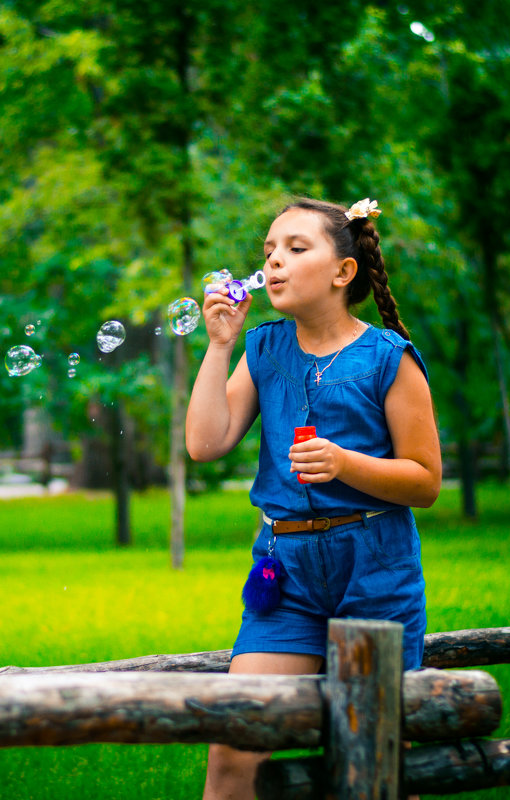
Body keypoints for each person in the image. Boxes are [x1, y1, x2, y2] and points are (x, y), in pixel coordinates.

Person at [185, 197, 441, 800]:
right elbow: (205, 442)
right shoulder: (264, 349)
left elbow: (426, 481)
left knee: (376, 751)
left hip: (373, 565)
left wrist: (345, 463)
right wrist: (220, 344)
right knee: (235, 739)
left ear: (342, 273)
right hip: (285, 573)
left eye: (296, 249)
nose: (274, 262)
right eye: (268, 251)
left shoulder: (388, 359)